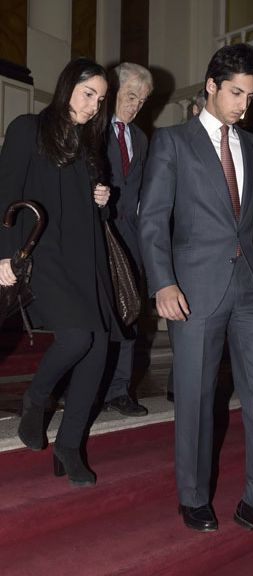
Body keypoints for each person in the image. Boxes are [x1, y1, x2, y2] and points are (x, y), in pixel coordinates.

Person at [138, 43, 253, 553]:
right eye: (236, 92)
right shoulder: (171, 142)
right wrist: (162, 282)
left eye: (251, 96)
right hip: (192, 288)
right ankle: (192, 494)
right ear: (210, 86)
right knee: (195, 394)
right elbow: (152, 220)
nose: (244, 105)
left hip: (251, 287)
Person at [0, 58, 115, 486]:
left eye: (100, 100)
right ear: (68, 86)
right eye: (88, 94)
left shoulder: (89, 143)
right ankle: (35, 398)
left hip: (87, 256)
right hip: (43, 252)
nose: (92, 106)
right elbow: (6, 194)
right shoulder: (27, 128)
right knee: (75, 338)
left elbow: (90, 206)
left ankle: (69, 446)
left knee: (99, 347)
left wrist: (103, 198)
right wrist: (4, 255)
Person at [101, 62, 153, 417]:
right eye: (131, 95)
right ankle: (91, 387)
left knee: (129, 313)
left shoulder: (142, 139)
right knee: (97, 315)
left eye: (142, 100)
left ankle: (120, 390)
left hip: (131, 239)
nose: (135, 106)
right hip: (97, 234)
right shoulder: (92, 129)